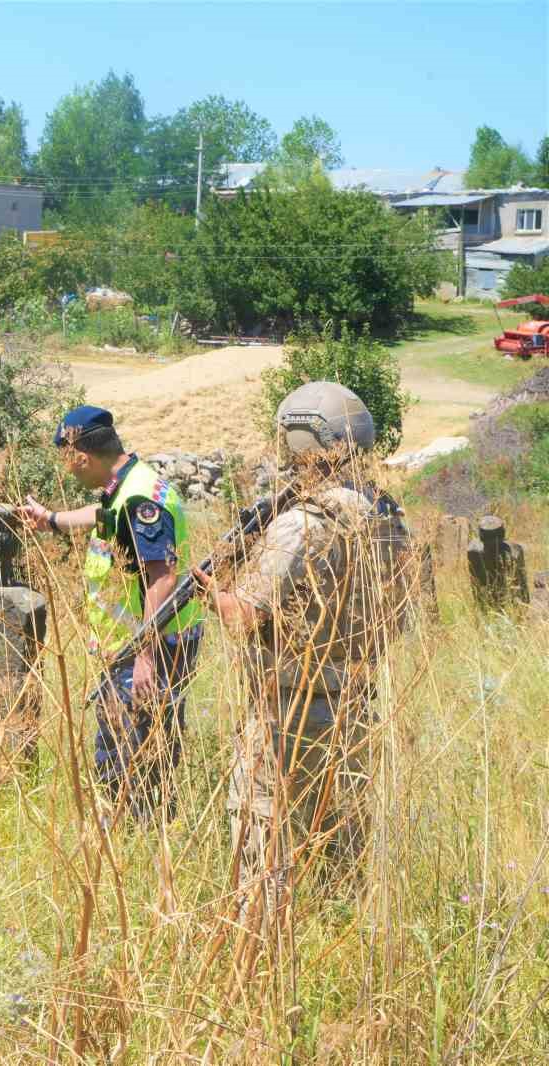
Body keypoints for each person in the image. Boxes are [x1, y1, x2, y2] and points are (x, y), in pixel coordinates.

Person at [192, 381, 413, 922]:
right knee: (341, 833)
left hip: (290, 704)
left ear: (300, 439)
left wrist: (210, 591)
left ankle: (260, 944)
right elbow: (399, 617)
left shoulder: (303, 523)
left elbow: (247, 617)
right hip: (357, 701)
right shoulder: (387, 521)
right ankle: (341, 936)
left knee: (262, 826)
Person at [17, 405, 204, 820]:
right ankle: (143, 828)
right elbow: (103, 517)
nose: (69, 473)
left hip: (154, 646)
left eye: (69, 463)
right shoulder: (125, 486)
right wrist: (51, 520)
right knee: (139, 744)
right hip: (139, 644)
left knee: (128, 751)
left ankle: (132, 834)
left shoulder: (138, 499)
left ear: (81, 456)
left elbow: (163, 578)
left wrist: (145, 655)